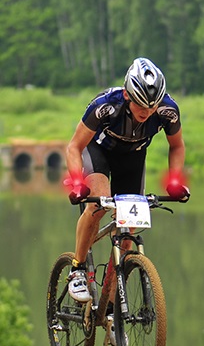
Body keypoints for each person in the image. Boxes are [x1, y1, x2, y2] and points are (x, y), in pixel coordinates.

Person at [64, 57, 189, 303]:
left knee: (130, 224)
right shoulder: (106, 106)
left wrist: (174, 180)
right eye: (141, 106)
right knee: (98, 203)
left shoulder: (167, 110)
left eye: (152, 108)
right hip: (97, 151)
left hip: (132, 157)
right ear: (127, 95)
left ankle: (111, 305)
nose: (147, 112)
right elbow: (74, 146)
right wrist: (78, 182)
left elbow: (177, 146)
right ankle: (77, 269)